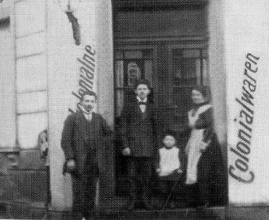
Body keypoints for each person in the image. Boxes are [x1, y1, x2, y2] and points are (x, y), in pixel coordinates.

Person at [61, 91, 113, 220]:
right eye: (87, 101)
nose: (89, 104)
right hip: (78, 162)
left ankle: (90, 217)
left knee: (91, 193)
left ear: (95, 103)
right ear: (81, 102)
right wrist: (70, 158)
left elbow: (110, 134)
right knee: (79, 194)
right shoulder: (73, 118)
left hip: (95, 163)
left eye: (92, 101)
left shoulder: (98, 119)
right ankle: (78, 218)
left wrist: (101, 144)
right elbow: (65, 140)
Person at [185, 86, 227, 208]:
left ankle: (206, 200)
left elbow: (210, 126)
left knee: (204, 171)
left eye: (198, 95)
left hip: (206, 143)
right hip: (194, 140)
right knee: (195, 170)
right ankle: (196, 200)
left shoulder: (208, 109)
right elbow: (190, 127)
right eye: (193, 95)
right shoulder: (192, 110)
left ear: (204, 96)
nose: (195, 97)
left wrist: (204, 143)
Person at [120, 79, 158, 210]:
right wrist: (125, 145)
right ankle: (132, 201)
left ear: (148, 91)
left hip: (148, 147)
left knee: (147, 176)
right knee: (132, 176)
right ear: (135, 91)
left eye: (144, 89)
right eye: (139, 89)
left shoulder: (153, 107)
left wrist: (155, 147)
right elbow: (123, 127)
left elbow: (156, 129)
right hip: (133, 147)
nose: (142, 91)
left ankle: (146, 200)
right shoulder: (128, 106)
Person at [156, 132, 183, 208]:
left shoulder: (177, 150)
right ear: (163, 141)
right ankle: (164, 202)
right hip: (163, 171)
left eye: (171, 140)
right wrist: (157, 167)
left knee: (173, 188)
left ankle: (172, 202)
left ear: (175, 142)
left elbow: (182, 160)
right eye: (167, 139)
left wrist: (180, 168)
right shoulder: (160, 150)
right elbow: (157, 160)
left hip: (174, 172)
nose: (169, 141)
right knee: (163, 189)